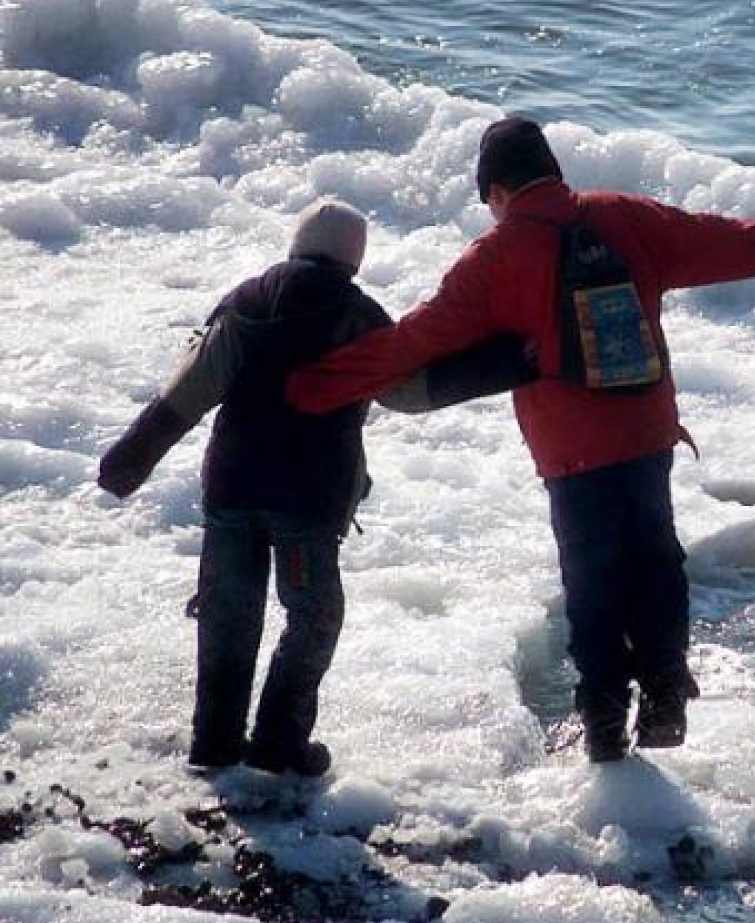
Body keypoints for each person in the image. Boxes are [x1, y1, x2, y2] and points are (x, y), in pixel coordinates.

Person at [286, 117, 755, 762]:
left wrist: (313, 385)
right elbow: (727, 240)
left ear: (496, 190)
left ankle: (602, 721)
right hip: (646, 429)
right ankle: (665, 693)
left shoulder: (494, 258)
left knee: (592, 574)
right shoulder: (627, 217)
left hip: (571, 450)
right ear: (552, 170)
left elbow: (415, 340)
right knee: (655, 556)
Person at [98, 199, 534, 776]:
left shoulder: (244, 304)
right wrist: (512, 360)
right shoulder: (357, 316)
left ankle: (214, 745)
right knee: (313, 616)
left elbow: (185, 394)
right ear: (354, 260)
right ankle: (280, 743)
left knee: (228, 614)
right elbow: (409, 392)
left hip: (233, 491)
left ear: (296, 243)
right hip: (306, 503)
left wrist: (127, 463)